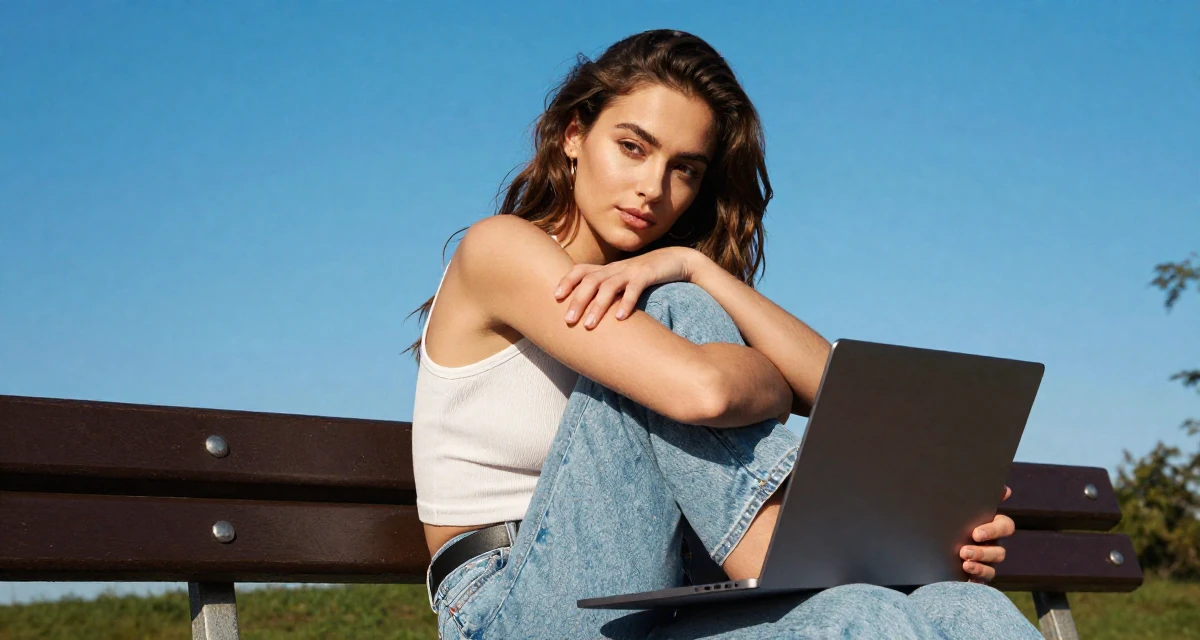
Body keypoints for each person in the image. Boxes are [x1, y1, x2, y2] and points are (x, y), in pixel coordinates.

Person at [410, 29, 1041, 640]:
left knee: (954, 615)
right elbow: (704, 392)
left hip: (654, 597)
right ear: (574, 135)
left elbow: (841, 392)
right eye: (633, 147)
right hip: (513, 605)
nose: (652, 188)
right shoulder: (500, 249)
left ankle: (841, 559)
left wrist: (696, 265)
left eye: (684, 168)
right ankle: (820, 554)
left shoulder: (668, 281)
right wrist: (762, 375)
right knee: (679, 311)